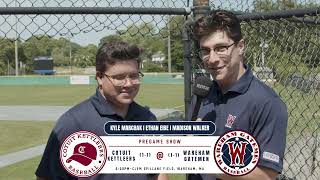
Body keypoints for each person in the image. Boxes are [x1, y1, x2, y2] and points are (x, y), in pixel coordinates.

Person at [35, 40, 168, 180]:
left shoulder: (147, 118)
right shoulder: (73, 123)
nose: (128, 84)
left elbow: (157, 172)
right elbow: (46, 177)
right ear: (99, 77)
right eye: (119, 77)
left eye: (134, 76)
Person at [187, 10, 288, 180]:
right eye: (205, 50)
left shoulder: (266, 102)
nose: (211, 59)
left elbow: (266, 175)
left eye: (221, 48)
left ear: (240, 47)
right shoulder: (202, 94)